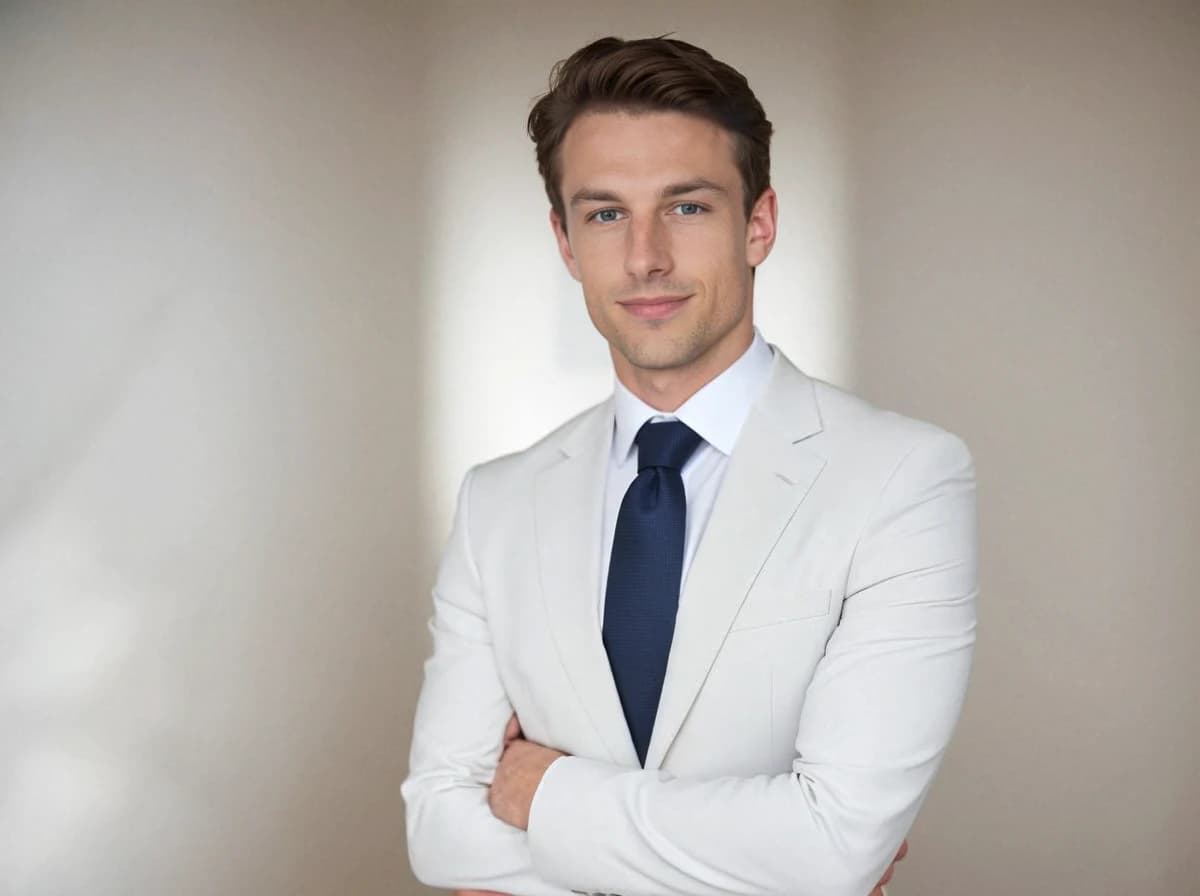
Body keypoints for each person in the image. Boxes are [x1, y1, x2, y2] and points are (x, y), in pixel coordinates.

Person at [402, 36, 977, 896]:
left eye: (687, 207)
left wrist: (542, 790)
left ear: (760, 223)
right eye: (604, 214)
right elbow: (440, 835)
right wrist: (756, 854)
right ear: (564, 242)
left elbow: (832, 849)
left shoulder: (903, 479)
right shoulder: (497, 503)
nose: (644, 258)